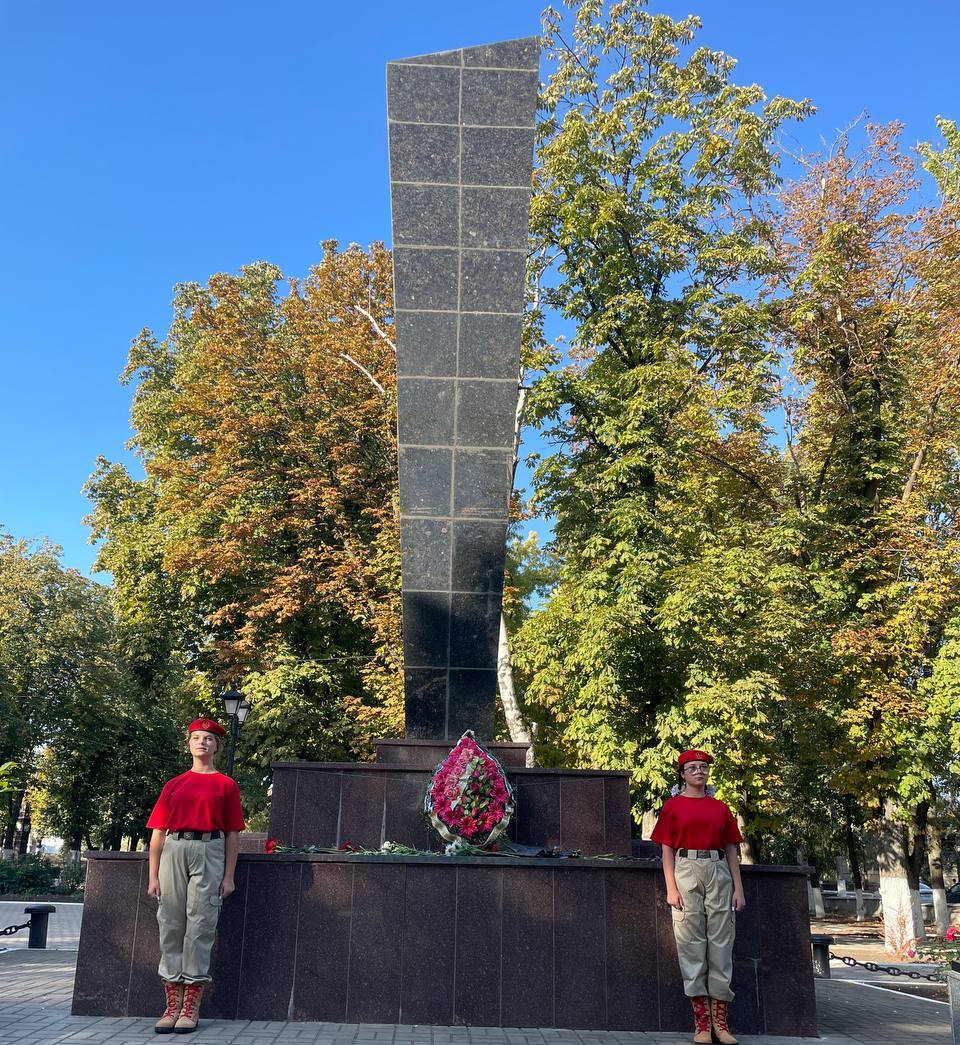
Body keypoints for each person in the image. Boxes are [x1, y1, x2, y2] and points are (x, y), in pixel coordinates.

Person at [146, 718, 245, 1034]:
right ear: (189, 744)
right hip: (174, 850)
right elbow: (158, 833)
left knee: (200, 925)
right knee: (171, 924)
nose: (202, 742)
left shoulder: (226, 785)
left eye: (209, 738)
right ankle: (171, 1005)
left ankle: (190, 1006)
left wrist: (229, 877)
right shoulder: (173, 784)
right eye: (196, 737)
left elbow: (232, 834)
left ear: (217, 745)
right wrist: (153, 876)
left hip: (209, 849)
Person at [651, 749, 745, 1045]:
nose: (699, 772)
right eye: (692, 768)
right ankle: (701, 1022)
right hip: (686, 869)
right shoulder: (673, 806)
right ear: (682, 774)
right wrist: (671, 887)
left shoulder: (720, 808)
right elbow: (666, 847)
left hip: (718, 870)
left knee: (721, 943)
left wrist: (738, 888)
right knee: (691, 944)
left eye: (703, 767)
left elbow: (731, 848)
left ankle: (721, 1021)